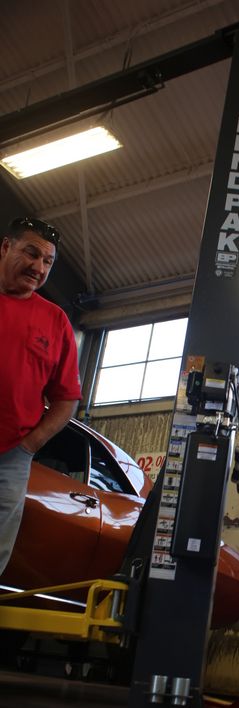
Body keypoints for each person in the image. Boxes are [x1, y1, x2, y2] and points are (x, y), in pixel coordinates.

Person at [0, 216, 81, 576]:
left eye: (48, 261)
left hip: (10, 458)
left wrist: (28, 447)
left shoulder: (55, 321)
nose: (39, 267)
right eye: (31, 254)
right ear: (6, 247)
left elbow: (66, 398)